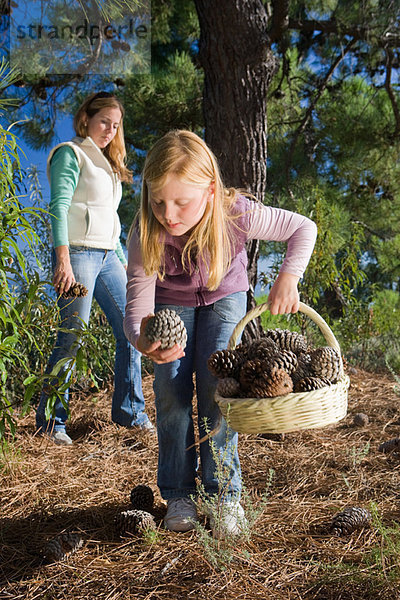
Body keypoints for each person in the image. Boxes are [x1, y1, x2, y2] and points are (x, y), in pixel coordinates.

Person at [123, 130, 317, 536]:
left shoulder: (237, 213)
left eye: (181, 202)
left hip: (225, 298)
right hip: (171, 305)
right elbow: (138, 303)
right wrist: (144, 341)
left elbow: (304, 228)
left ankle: (224, 494)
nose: (168, 213)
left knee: (219, 391)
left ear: (211, 191)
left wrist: (288, 277)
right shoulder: (145, 232)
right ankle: (179, 492)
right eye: (158, 201)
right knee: (171, 394)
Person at [36, 91, 153, 446]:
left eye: (116, 126)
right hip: (78, 257)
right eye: (105, 121)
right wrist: (63, 260)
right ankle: (52, 424)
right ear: (86, 118)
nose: (110, 130)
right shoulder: (70, 155)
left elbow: (109, 220)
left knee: (133, 330)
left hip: (107, 257)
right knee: (71, 335)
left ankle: (130, 414)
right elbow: (58, 207)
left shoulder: (106, 164)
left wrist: (120, 258)